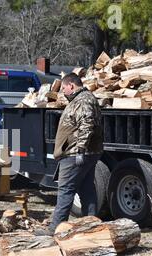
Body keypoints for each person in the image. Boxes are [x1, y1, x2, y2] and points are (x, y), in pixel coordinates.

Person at [36, 73, 104, 236]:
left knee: (65, 190)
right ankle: (91, 226)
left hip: (75, 154)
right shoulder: (82, 99)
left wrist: (80, 149)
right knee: (87, 190)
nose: (64, 92)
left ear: (71, 85)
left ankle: (55, 230)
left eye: (64, 88)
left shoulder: (83, 100)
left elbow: (87, 124)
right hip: (81, 153)